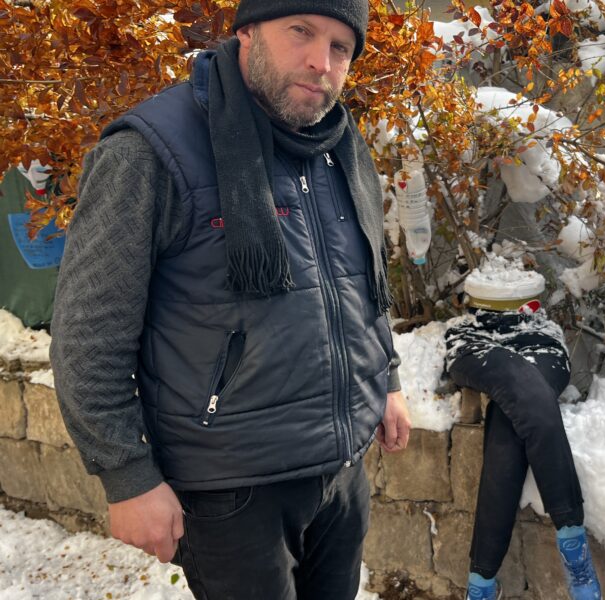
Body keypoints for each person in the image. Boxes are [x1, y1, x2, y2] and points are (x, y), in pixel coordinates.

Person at [49, 1, 411, 598]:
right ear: (247, 31)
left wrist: (386, 377)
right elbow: (88, 331)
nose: (321, 62)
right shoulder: (151, 151)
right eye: (301, 31)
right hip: (232, 489)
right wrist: (127, 476)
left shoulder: (338, 143)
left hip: (341, 471)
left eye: (340, 47)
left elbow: (358, 278)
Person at [444, 261, 602, 600]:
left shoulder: (545, 333)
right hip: (476, 338)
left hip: (538, 340)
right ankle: (571, 537)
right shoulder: (463, 333)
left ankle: (482, 583)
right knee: (523, 393)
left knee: (509, 420)